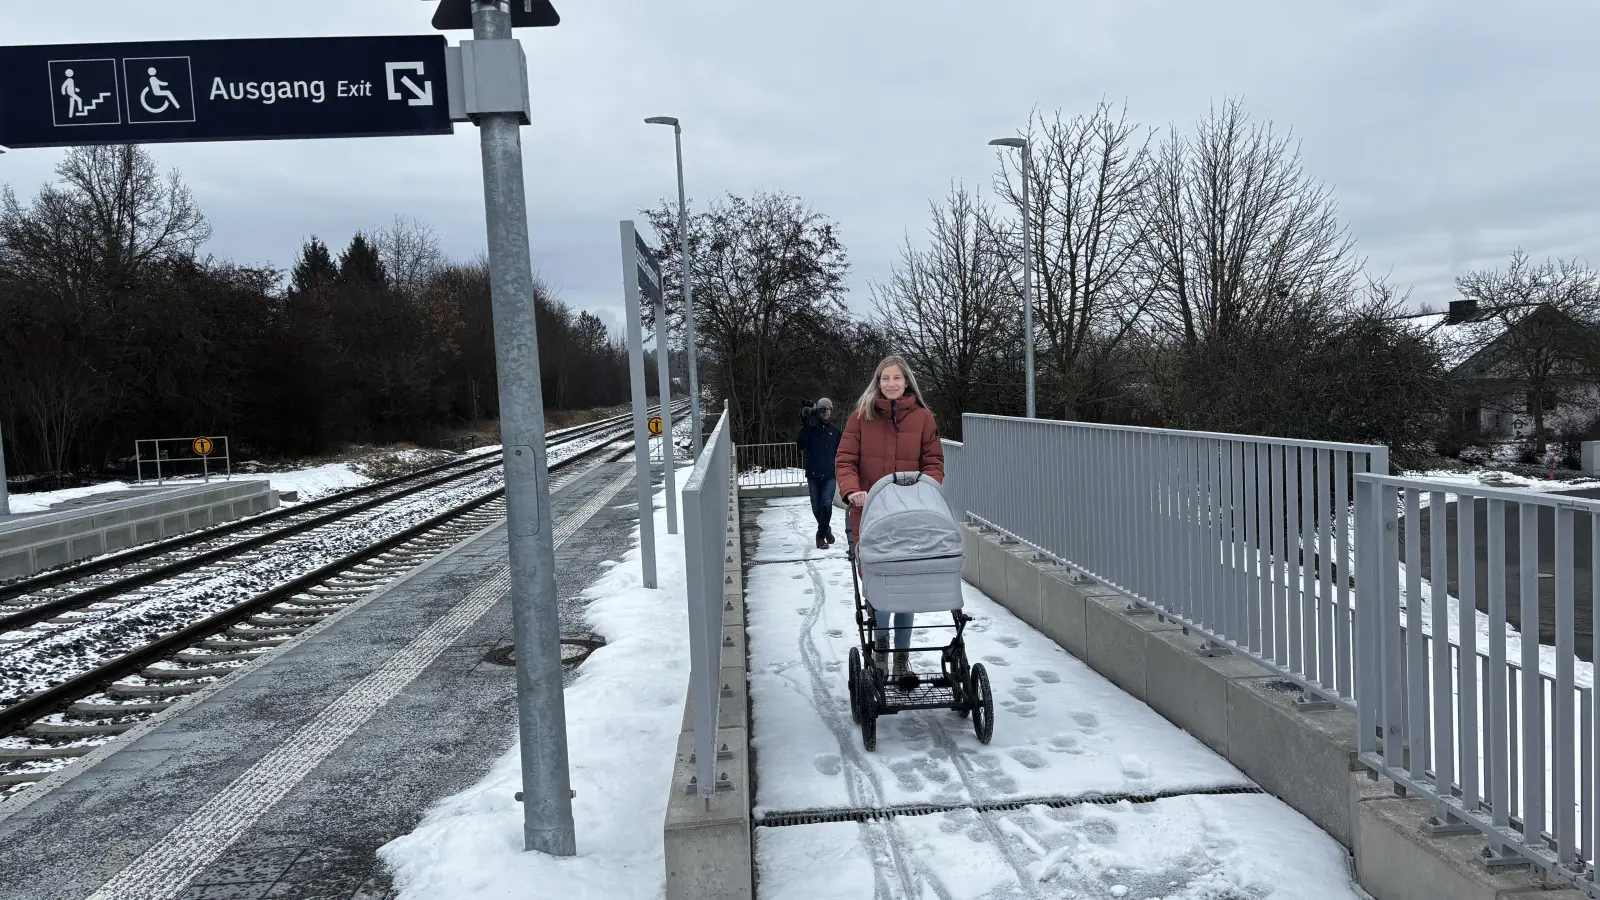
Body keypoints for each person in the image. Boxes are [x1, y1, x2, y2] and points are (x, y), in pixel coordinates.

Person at [835, 355, 944, 681]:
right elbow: (845, 460)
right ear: (878, 382)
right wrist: (853, 490)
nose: (892, 383)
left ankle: (901, 660)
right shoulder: (860, 418)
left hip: (909, 518)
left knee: (905, 587)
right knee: (880, 587)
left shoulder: (923, 418)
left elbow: (934, 462)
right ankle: (881, 653)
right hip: (869, 517)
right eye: (886, 379)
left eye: (897, 378)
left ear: (907, 381)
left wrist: (925, 489)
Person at [796, 397, 843, 549]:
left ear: (831, 411)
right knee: (817, 508)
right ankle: (826, 530)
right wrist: (805, 424)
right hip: (813, 474)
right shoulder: (811, 428)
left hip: (830, 474)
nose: (825, 412)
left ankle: (820, 536)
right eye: (822, 409)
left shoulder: (835, 431)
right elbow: (800, 445)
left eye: (828, 409)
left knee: (826, 505)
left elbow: (842, 452)